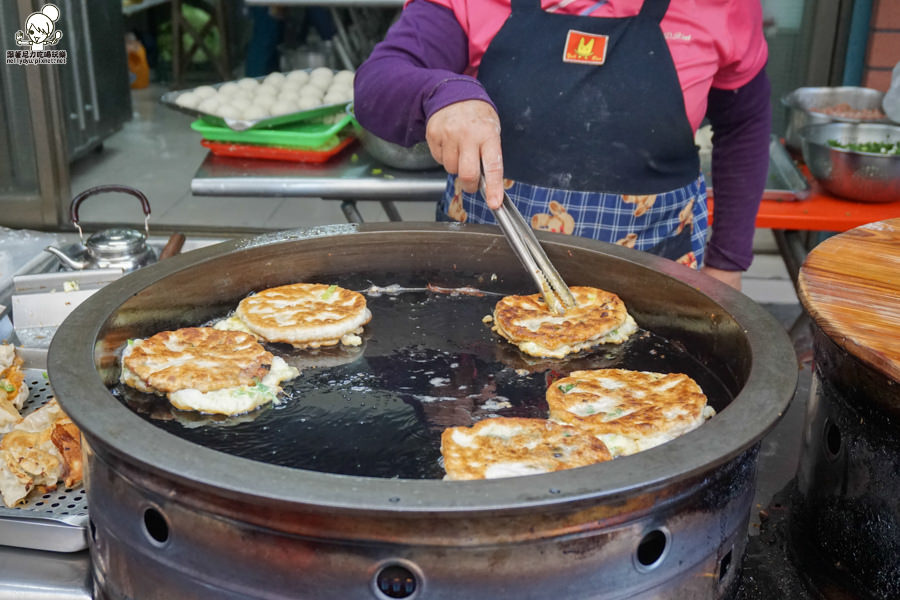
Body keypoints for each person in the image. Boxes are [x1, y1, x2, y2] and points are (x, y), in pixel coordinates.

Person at [353, 0, 772, 290]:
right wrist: (442, 93)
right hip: (485, 278)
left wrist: (728, 262)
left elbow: (745, 123)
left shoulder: (720, 9)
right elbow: (378, 82)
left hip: (656, 279)